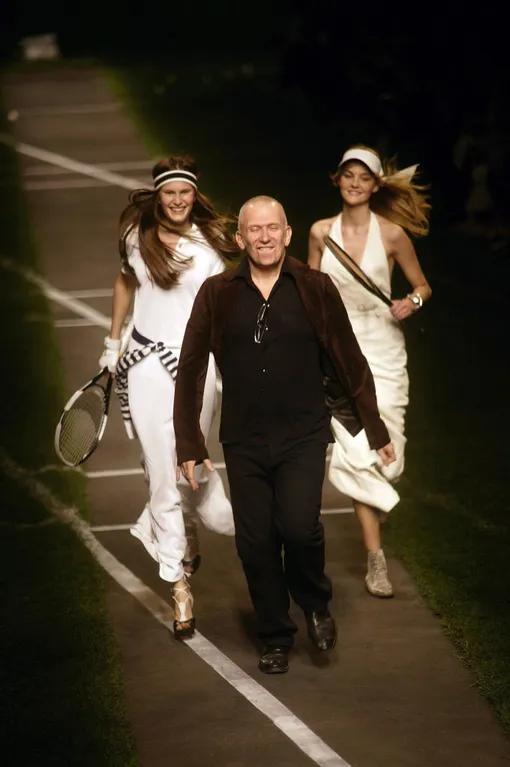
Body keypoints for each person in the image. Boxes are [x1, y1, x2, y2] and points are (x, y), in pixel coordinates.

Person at [174, 195, 395, 674]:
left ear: (288, 233)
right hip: (245, 440)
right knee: (254, 543)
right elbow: (190, 368)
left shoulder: (314, 287)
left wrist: (373, 427)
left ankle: (314, 603)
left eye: (274, 228)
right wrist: (190, 442)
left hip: (303, 434)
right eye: (255, 229)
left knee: (298, 528)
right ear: (240, 239)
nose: (265, 236)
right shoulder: (218, 293)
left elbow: (348, 358)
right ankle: (275, 634)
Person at [98, 155, 237, 639]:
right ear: (157, 196)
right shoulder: (137, 239)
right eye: (168, 193)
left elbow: (225, 304)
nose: (177, 200)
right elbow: (124, 281)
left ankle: (191, 526)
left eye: (185, 192)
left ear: (194, 195)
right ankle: (179, 586)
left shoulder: (211, 245)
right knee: (160, 468)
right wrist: (113, 342)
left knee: (190, 462)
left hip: (197, 368)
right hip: (146, 367)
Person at [308, 145, 432, 598]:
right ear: (337, 180)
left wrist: (410, 303)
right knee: (356, 453)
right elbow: (313, 293)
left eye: (364, 177)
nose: (355, 183)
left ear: (376, 185)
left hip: (384, 347)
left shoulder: (393, 234)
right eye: (348, 175)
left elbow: (422, 285)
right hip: (342, 352)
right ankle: (375, 560)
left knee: (388, 456)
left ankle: (383, 506)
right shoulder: (322, 232)